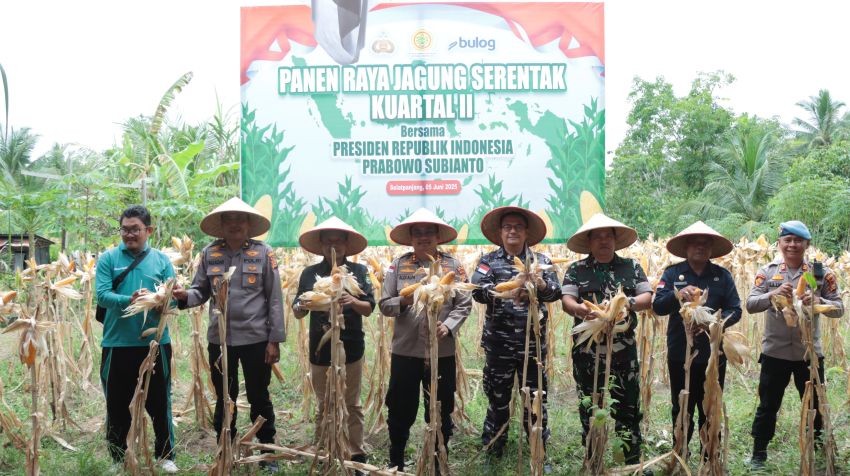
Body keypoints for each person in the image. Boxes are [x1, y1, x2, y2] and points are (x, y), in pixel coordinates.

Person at [173, 197, 284, 472]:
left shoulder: (263, 252)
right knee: (225, 396)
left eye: (240, 219)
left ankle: (267, 450)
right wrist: (185, 295)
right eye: (228, 220)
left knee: (260, 395)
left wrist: (274, 340)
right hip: (219, 340)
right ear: (221, 226)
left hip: (256, 338)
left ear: (249, 224)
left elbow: (274, 298)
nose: (234, 225)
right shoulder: (210, 253)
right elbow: (200, 290)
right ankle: (226, 447)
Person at [379, 209, 471, 472]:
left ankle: (437, 458)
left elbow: (464, 304)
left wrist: (449, 326)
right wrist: (404, 300)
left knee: (441, 409)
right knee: (399, 408)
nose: (423, 237)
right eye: (417, 232)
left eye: (428, 232)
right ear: (410, 237)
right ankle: (396, 458)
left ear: (438, 235)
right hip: (405, 351)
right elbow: (384, 305)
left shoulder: (454, 266)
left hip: (441, 352)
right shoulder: (397, 266)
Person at [746, 220, 844, 469]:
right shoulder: (767, 272)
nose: (792, 245)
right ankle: (759, 454)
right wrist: (772, 295)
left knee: (815, 405)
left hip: (808, 353)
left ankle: (821, 450)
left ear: (807, 244)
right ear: (779, 244)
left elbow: (839, 309)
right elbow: (750, 304)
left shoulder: (821, 273)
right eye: (787, 240)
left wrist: (819, 299)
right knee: (768, 405)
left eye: (797, 240)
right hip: (774, 352)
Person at [470, 206, 561, 469]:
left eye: (517, 227)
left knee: (535, 398)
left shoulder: (541, 261)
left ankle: (538, 451)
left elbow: (555, 292)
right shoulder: (489, 261)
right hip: (499, 343)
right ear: (500, 232)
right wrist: (507, 291)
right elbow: (477, 291)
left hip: (533, 345)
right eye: (507, 227)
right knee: (498, 397)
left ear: (526, 232)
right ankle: (493, 447)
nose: (512, 231)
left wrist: (539, 285)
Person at [561, 213, 652, 466]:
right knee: (590, 406)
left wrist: (626, 304)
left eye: (608, 236)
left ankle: (632, 461)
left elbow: (647, 298)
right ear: (589, 242)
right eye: (597, 236)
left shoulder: (631, 267)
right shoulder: (576, 270)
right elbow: (567, 301)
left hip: (624, 351)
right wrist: (582, 310)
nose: (603, 241)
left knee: (628, 407)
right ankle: (593, 459)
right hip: (587, 353)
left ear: (615, 240)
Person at [96, 205, 178, 473]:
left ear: (148, 231)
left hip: (155, 344)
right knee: (117, 404)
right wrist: (130, 300)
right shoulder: (108, 259)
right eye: (125, 229)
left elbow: (173, 300)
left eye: (135, 229)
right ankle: (118, 457)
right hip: (117, 344)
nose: (129, 234)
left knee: (159, 401)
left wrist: (159, 301)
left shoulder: (162, 261)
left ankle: (166, 455)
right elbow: (103, 296)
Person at [652, 221, 742, 457]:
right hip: (680, 351)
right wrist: (678, 295)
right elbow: (658, 306)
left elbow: (736, 310)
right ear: (686, 247)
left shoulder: (722, 276)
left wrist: (714, 323)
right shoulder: (672, 274)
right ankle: (680, 451)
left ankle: (709, 453)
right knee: (681, 404)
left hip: (713, 353)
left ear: (711, 249)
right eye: (695, 243)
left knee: (710, 405)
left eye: (705, 243)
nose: (700, 247)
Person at [292, 217, 375, 471]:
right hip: (321, 347)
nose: (334, 245)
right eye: (329, 240)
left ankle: (356, 453)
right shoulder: (309, 274)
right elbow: (298, 311)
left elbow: (369, 308)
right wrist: (304, 304)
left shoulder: (359, 273)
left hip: (351, 348)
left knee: (352, 403)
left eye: (339, 240)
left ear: (347, 245)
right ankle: (324, 446)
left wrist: (350, 300)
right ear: (321, 245)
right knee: (324, 402)